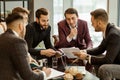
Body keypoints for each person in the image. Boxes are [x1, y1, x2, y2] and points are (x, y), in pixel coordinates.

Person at [0, 13, 51, 80]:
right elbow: (29, 77)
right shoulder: (18, 42)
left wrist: (32, 72)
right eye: (25, 25)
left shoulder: (1, 38)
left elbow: (9, 67)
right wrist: (44, 73)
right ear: (21, 26)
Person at [73, 8, 120, 76]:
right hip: (116, 61)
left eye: (93, 22)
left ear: (99, 23)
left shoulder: (113, 34)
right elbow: (100, 49)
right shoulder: (108, 30)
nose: (92, 25)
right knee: (97, 56)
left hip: (118, 64)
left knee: (104, 69)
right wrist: (84, 51)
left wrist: (87, 57)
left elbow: (108, 60)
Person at [55, 8, 93, 72]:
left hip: (80, 49)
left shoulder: (84, 23)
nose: (71, 21)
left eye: (73, 18)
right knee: (59, 52)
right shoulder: (61, 24)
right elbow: (61, 44)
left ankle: (87, 73)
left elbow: (88, 40)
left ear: (77, 17)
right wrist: (70, 36)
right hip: (66, 49)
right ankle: (62, 72)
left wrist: (87, 50)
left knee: (91, 54)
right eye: (68, 19)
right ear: (65, 18)